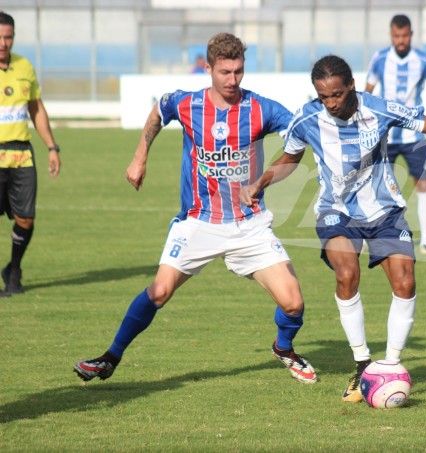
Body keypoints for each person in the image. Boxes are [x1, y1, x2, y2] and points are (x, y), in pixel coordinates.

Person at [241, 55, 426, 403]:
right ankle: (362, 364)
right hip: (336, 211)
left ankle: (389, 365)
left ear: (352, 87)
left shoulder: (380, 109)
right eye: (323, 96)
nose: (331, 104)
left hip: (384, 210)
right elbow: (289, 160)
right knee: (347, 273)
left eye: (337, 95)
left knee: (405, 281)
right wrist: (264, 180)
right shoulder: (308, 118)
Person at [73, 33, 317, 385]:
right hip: (198, 223)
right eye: (224, 72)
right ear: (208, 69)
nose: (232, 80)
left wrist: (262, 181)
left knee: (293, 303)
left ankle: (283, 348)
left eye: (238, 72)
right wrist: (140, 156)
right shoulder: (187, 104)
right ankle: (110, 357)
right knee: (159, 291)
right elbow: (158, 111)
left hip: (248, 225)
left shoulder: (261, 108)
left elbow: (297, 147)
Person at [365, 14, 426, 254]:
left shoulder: (424, 60)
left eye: (404, 36)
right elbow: (367, 93)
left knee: (422, 184)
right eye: (396, 36)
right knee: (375, 185)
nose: (401, 40)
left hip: (415, 136)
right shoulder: (380, 59)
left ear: (411, 35)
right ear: (391, 35)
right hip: (385, 135)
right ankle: (372, 236)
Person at [0, 11, 61, 297]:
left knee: (26, 218)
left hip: (21, 155)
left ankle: (13, 268)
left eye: (8, 37)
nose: (3, 43)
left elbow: (36, 109)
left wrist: (51, 147)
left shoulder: (25, 66)